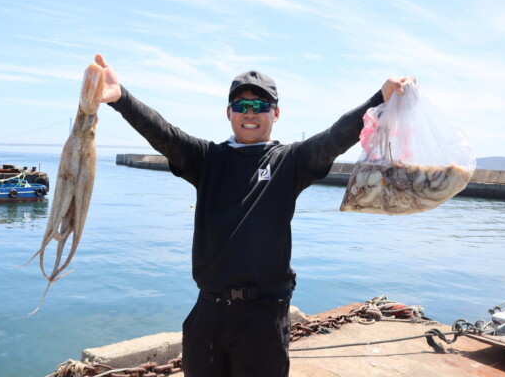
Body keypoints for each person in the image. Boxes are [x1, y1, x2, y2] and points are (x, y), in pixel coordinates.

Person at [95, 53, 414, 377]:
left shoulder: (290, 161)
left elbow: (335, 137)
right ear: (229, 113)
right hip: (209, 312)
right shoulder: (207, 159)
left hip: (264, 317)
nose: (251, 114)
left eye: (260, 106)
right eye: (242, 106)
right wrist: (121, 98)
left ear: (275, 113)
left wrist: (380, 99)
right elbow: (163, 133)